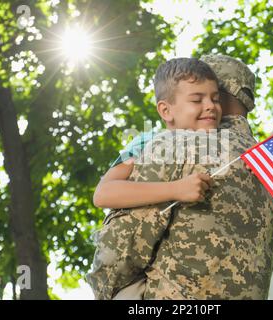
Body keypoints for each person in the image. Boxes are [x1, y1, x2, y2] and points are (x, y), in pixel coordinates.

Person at [86, 57, 222, 299]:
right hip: (135, 278)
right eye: (196, 99)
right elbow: (103, 194)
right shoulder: (147, 143)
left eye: (215, 98)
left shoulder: (223, 146)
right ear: (166, 110)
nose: (211, 105)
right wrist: (175, 189)